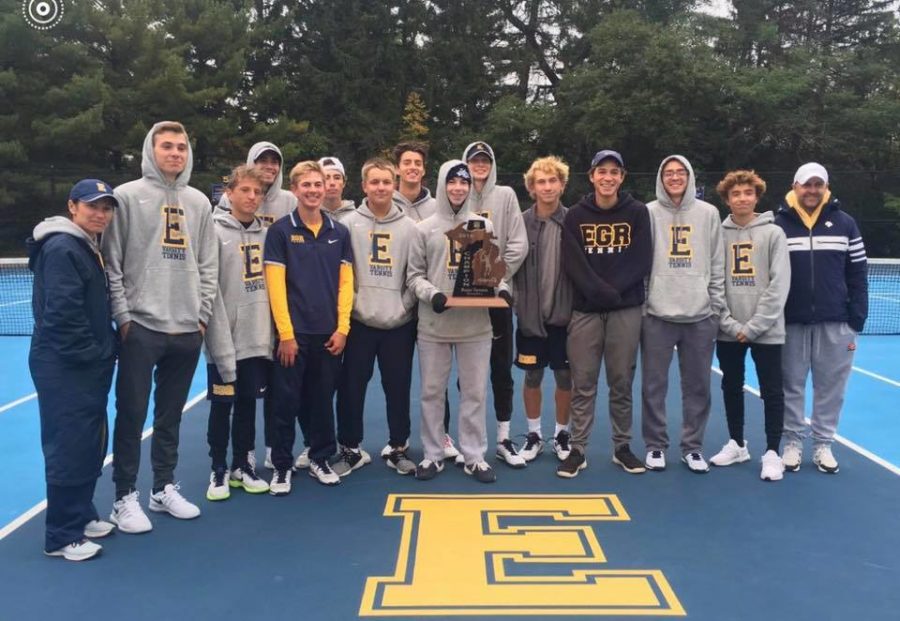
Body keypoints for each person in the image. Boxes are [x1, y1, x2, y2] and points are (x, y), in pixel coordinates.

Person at [103, 121, 216, 532]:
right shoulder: (126, 197)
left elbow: (208, 264)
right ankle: (124, 496)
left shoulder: (200, 202)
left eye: (181, 147)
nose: (175, 153)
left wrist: (201, 316)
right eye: (167, 146)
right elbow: (112, 262)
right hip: (142, 327)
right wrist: (125, 318)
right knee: (131, 414)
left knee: (170, 417)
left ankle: (163, 487)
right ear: (151, 151)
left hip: (186, 328)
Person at [28, 180, 118, 560]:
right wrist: (96, 354)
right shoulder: (63, 247)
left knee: (90, 440)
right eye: (92, 206)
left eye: (106, 207)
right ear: (72, 207)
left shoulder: (85, 246)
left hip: (84, 366)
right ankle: (61, 535)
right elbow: (63, 315)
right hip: (66, 366)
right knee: (69, 445)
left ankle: (81, 514)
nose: (100, 213)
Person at [560, 150, 653, 477]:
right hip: (586, 310)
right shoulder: (575, 215)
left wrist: (612, 291)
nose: (608, 177)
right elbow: (572, 261)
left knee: (621, 381)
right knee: (583, 382)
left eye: (615, 171)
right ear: (592, 176)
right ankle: (578, 448)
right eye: (602, 171)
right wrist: (599, 291)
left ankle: (622, 447)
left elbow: (641, 259)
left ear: (622, 177)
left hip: (625, 309)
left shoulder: (638, 212)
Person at [264, 161, 353, 494]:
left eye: (319, 184)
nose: (315, 190)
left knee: (321, 400)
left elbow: (347, 284)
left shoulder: (339, 232)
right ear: (295, 189)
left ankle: (320, 458)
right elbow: (275, 286)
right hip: (294, 337)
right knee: (286, 401)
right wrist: (285, 335)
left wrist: (342, 328)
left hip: (329, 334)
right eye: (307, 185)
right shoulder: (280, 232)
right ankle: (283, 466)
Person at [774, 163, 868, 474]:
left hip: (836, 323)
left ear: (825, 187)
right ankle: (792, 442)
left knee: (831, 387)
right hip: (790, 322)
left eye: (818, 185)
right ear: (795, 186)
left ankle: (824, 444)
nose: (812, 190)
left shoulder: (846, 224)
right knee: (791, 385)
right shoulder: (777, 224)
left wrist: (856, 319)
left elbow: (858, 273)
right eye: (806, 185)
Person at [407, 160, 497, 483]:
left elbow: (491, 272)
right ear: (443, 184)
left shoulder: (481, 226)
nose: (458, 188)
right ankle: (433, 454)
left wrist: (503, 291)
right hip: (434, 325)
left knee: (474, 392)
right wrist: (433, 295)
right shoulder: (424, 228)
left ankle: (474, 456)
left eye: (464, 182)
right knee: (432, 391)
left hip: (475, 326)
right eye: (452, 182)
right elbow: (414, 277)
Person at [217, 142, 301, 471]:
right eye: (262, 160)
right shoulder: (223, 212)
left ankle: (271, 448)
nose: (269, 166)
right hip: (240, 315)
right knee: (237, 397)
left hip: (274, 312)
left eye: (274, 161)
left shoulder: (288, 203)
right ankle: (233, 460)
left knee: (276, 389)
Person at [334, 158, 418, 477]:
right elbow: (343, 275)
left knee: (397, 387)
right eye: (375, 182)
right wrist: (356, 304)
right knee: (352, 386)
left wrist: (403, 306)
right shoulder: (348, 225)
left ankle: (398, 448)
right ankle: (350, 448)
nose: (381, 187)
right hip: (360, 322)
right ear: (364, 185)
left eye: (386, 181)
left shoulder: (410, 227)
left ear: (394, 185)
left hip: (398, 324)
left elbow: (415, 274)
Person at [641, 155, 725, 473]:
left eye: (680, 173)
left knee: (698, 386)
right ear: (661, 178)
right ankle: (655, 446)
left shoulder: (709, 214)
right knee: (653, 386)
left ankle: (692, 447)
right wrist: (647, 305)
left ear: (689, 177)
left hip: (700, 317)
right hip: (658, 315)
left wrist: (714, 308)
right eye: (668, 173)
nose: (674, 178)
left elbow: (718, 263)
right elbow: (642, 264)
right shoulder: (648, 212)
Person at [711, 170, 791, 481]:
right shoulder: (718, 233)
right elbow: (714, 281)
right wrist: (729, 323)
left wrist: (755, 325)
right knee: (731, 385)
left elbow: (779, 284)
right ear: (727, 199)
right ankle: (737, 443)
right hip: (729, 330)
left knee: (772, 391)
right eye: (736, 194)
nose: (742, 198)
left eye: (748, 193)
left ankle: (772, 452)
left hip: (767, 330)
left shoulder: (774, 234)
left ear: (756, 196)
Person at [203, 165, 273, 500]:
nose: (251, 197)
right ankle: (217, 468)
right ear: (229, 192)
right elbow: (210, 290)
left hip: (256, 339)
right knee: (221, 406)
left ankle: (242, 466)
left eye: (257, 192)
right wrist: (217, 340)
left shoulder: (268, 234)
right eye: (244, 190)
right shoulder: (213, 231)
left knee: (248, 405)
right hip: (223, 339)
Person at [461, 141, 528, 467]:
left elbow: (518, 243)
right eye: (474, 160)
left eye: (485, 160)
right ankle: (465, 440)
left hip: (498, 297)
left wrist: (493, 277)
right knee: (466, 375)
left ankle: (503, 438)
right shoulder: (454, 194)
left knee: (501, 369)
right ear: (466, 163)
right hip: (464, 299)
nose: (479, 165)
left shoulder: (505, 196)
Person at [513, 156, 574, 463]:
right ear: (531, 187)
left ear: (562, 185)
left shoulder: (575, 220)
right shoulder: (520, 222)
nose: (547, 187)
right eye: (541, 182)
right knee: (533, 375)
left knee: (565, 376)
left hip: (566, 318)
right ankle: (534, 434)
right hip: (530, 318)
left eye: (553, 181)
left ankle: (562, 433)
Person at [392, 141, 436, 222]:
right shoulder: (386, 206)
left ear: (423, 171)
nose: (413, 167)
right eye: (407, 163)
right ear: (397, 169)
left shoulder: (436, 209)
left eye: (418, 164)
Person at [319, 156, 356, 222]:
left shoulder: (356, 217)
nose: (332, 183)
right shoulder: (311, 216)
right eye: (326, 178)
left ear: (344, 182)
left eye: (337, 178)